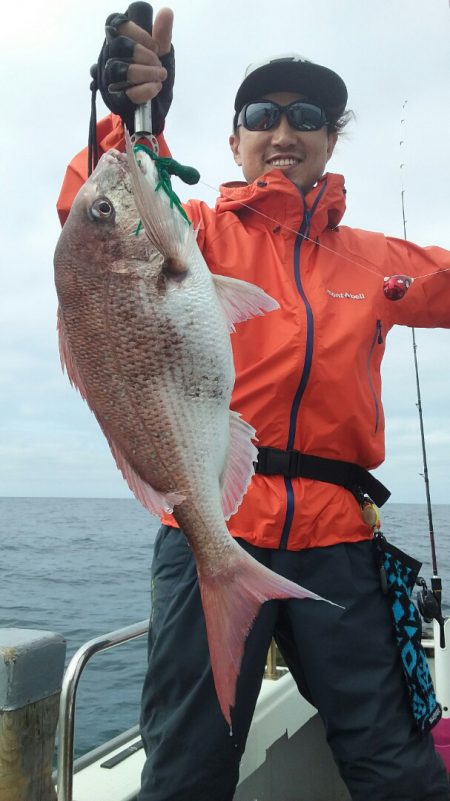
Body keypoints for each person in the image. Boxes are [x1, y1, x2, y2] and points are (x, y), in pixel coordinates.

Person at [57, 7, 450, 801]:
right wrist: (131, 113)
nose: (283, 131)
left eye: (308, 117)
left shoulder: (376, 259)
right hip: (214, 520)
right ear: (234, 140)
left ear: (331, 139)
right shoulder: (194, 234)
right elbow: (97, 210)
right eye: (262, 115)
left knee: (395, 766)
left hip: (341, 538)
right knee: (186, 772)